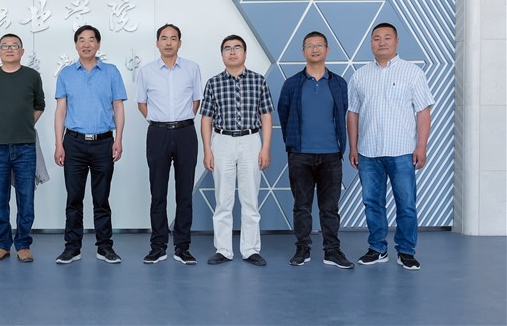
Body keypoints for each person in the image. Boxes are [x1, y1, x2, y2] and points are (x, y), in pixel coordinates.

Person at [348, 23, 433, 271]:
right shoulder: (360, 75)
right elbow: (352, 113)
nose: (381, 42)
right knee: (372, 203)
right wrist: (353, 147)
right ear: (370, 43)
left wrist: (421, 146)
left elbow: (423, 111)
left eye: (387, 38)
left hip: (402, 151)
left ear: (396, 41)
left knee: (406, 203)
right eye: (376, 38)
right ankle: (377, 248)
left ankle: (406, 251)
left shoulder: (412, 73)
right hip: (368, 152)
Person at [277, 31, 353, 269]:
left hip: (331, 155)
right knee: (302, 205)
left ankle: (332, 250)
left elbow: (344, 113)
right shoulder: (292, 84)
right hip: (300, 154)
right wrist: (293, 145)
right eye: (310, 46)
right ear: (303, 52)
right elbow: (284, 113)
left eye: (319, 45)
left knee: (330, 207)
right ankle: (302, 248)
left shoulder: (339, 83)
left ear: (327, 50)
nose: (315, 49)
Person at [54, 25, 126, 264]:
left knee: (101, 199)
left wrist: (119, 139)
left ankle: (105, 247)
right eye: (82, 40)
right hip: (73, 143)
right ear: (76, 45)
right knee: (74, 199)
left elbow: (118, 107)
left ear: (98, 44)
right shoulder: (66, 74)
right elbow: (61, 110)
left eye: (91, 39)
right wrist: (59, 143)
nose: (86, 44)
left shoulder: (111, 72)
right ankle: (72, 248)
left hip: (103, 143)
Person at [200, 34, 273, 267]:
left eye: (237, 47)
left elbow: (266, 116)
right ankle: (223, 249)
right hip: (221, 141)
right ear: (222, 55)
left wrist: (265, 148)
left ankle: (250, 249)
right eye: (227, 48)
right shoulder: (213, 83)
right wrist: (207, 149)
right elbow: (206, 119)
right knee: (223, 199)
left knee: (250, 198)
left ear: (245, 53)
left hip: (251, 140)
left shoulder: (258, 81)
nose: (232, 52)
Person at [135, 24, 202, 265]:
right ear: (157, 43)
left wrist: (181, 121)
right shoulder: (146, 71)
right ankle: (158, 246)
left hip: (185, 133)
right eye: (164, 38)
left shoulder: (192, 68)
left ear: (179, 43)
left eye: (173, 38)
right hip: (158, 134)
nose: (168, 42)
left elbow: (196, 100)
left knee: (184, 193)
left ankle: (183, 247)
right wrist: (159, 121)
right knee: (158, 193)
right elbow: (141, 103)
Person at [0, 33, 46, 263]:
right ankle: (2, 244)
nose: (9, 49)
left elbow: (40, 105)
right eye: (5, 46)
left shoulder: (32, 76)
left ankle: (23, 244)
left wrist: (23, 125)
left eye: (14, 46)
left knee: (26, 199)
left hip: (26, 146)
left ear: (22, 51)